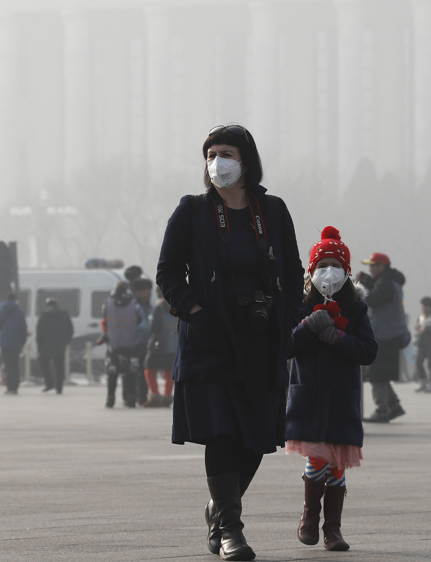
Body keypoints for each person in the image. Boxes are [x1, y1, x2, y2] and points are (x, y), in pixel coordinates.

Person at [156, 124, 303, 561]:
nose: (217, 162)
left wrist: (289, 319)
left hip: (262, 338)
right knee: (222, 431)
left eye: (226, 153)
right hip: (212, 339)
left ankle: (219, 509)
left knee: (256, 438)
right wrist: (196, 312)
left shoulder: (272, 210)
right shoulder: (194, 211)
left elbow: (293, 272)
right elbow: (168, 273)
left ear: (246, 160)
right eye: (211, 153)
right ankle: (231, 532)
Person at [287, 227, 377, 552]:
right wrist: (309, 326)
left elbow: (368, 351)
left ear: (347, 272)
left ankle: (333, 528)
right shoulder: (299, 305)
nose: (328, 272)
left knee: (337, 462)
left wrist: (337, 338)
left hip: (341, 397)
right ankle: (309, 515)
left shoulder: (357, 309)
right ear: (311, 271)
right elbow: (285, 346)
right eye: (321, 265)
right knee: (317, 457)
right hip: (308, 396)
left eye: (335, 265)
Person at [356, 252, 409, 423]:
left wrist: (361, 288)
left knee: (376, 374)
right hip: (388, 333)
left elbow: (374, 299)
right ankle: (394, 405)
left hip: (386, 335)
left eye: (373, 265)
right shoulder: (388, 281)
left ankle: (382, 409)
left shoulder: (386, 284)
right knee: (381, 374)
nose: (370, 269)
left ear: (382, 266)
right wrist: (368, 282)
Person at [99, 281, 147, 408]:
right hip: (131, 343)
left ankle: (110, 398)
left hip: (113, 343)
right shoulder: (134, 303)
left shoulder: (107, 303)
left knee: (112, 373)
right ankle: (131, 397)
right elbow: (139, 320)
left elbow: (105, 321)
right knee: (130, 373)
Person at [142, 289, 176, 408]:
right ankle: (167, 396)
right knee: (169, 372)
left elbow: (154, 327)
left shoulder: (159, 307)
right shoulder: (178, 306)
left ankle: (155, 395)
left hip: (158, 346)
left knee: (149, 369)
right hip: (173, 346)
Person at [35, 298, 73, 394]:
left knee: (43, 363)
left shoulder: (44, 315)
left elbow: (39, 331)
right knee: (59, 366)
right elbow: (70, 330)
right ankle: (59, 387)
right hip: (60, 344)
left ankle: (49, 383)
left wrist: (39, 345)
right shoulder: (64, 314)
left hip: (46, 345)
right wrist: (66, 341)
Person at [0, 292, 28, 395]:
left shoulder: (0, 311)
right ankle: (15, 387)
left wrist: (3, 329)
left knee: (7, 365)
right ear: (15, 300)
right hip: (16, 342)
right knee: (15, 365)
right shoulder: (19, 312)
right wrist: (23, 341)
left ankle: (9, 387)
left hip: (4, 342)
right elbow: (23, 328)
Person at [132, 278, 155, 403]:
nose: (149, 294)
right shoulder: (135, 307)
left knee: (145, 370)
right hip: (137, 343)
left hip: (147, 344)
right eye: (146, 291)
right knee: (139, 371)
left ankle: (143, 396)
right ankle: (139, 396)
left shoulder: (149, 306)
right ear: (139, 292)